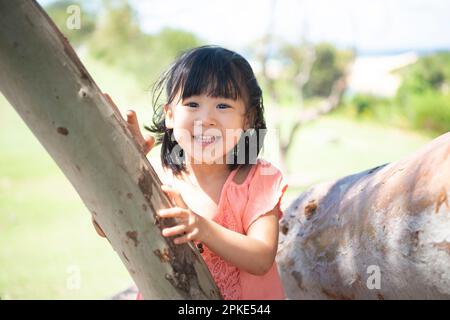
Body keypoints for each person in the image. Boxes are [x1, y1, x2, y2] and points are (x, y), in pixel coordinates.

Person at [93, 46, 288, 300]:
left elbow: (261, 257)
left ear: (248, 119)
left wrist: (201, 227)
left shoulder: (257, 179)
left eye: (222, 105)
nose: (205, 119)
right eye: (193, 103)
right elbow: (105, 227)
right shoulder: (159, 179)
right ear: (170, 116)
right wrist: (124, 168)